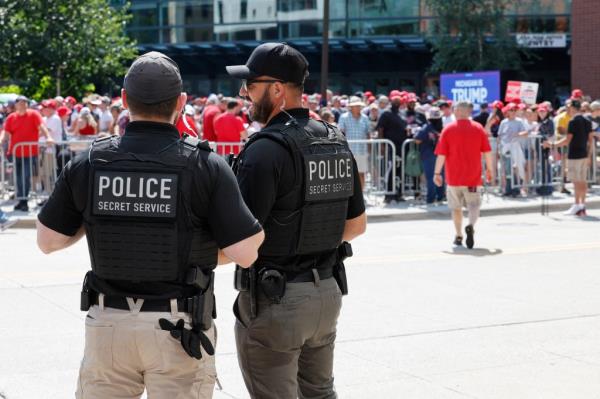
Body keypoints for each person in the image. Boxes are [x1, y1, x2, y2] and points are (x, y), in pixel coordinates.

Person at [36, 51, 264, 399]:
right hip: (178, 327)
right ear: (182, 102)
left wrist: (97, 213)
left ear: (124, 99)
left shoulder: (90, 162)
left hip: (109, 324)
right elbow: (246, 253)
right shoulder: (206, 165)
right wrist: (196, 249)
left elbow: (47, 241)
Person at [226, 42, 367, 399]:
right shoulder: (334, 139)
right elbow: (356, 225)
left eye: (251, 84)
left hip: (278, 302)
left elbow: (243, 244)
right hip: (326, 296)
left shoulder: (265, 150)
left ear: (276, 89)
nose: (244, 92)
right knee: (320, 393)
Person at [434, 101, 493, 249]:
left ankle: (459, 235)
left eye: (455, 109)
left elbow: (441, 154)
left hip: (453, 177)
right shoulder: (478, 128)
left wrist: (437, 173)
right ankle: (471, 225)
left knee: (456, 208)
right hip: (473, 177)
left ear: (458, 111)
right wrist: (490, 170)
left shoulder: (448, 129)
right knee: (474, 205)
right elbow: (487, 152)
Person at [0, 95, 54, 211]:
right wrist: (1, 140)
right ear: (16, 105)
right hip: (15, 153)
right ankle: (21, 200)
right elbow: (6, 132)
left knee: (26, 176)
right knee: (18, 178)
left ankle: (24, 201)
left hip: (30, 152)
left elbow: (42, 127)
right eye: (20, 102)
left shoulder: (34, 114)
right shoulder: (11, 117)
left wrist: (48, 137)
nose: (23, 104)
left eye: (25, 102)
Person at [544, 99, 594, 216]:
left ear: (572, 108)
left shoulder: (572, 122)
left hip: (575, 155)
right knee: (582, 181)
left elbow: (566, 141)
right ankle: (582, 205)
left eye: (568, 107)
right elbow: (590, 140)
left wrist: (551, 144)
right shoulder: (587, 121)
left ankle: (577, 205)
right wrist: (589, 155)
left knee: (577, 182)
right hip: (583, 154)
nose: (567, 109)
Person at [377, 94, 408, 203]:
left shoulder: (401, 114)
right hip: (391, 146)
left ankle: (398, 194)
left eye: (399, 101)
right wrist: (382, 145)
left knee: (400, 170)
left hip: (401, 146)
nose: (397, 103)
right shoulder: (386, 113)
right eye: (395, 101)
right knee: (392, 169)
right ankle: (388, 194)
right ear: (391, 101)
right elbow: (380, 129)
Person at [414, 107, 446, 204]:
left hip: (428, 155)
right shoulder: (443, 128)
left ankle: (431, 198)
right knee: (440, 176)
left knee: (431, 177)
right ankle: (440, 196)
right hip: (441, 155)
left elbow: (417, 140)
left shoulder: (427, 127)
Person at [338, 96, 370, 189]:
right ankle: (349, 196)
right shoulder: (343, 117)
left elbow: (368, 133)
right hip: (348, 151)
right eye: (355, 106)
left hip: (362, 150)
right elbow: (340, 133)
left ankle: (361, 195)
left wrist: (369, 149)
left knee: (361, 174)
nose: (358, 107)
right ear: (351, 107)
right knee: (347, 174)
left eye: (359, 106)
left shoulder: (365, 118)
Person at [497, 103, 528, 197]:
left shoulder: (519, 121)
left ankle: (516, 189)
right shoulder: (504, 122)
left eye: (515, 110)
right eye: (511, 110)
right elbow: (499, 135)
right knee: (507, 170)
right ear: (507, 112)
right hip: (505, 148)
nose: (513, 112)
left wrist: (517, 134)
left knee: (516, 168)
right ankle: (508, 189)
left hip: (515, 147)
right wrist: (499, 148)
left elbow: (525, 132)